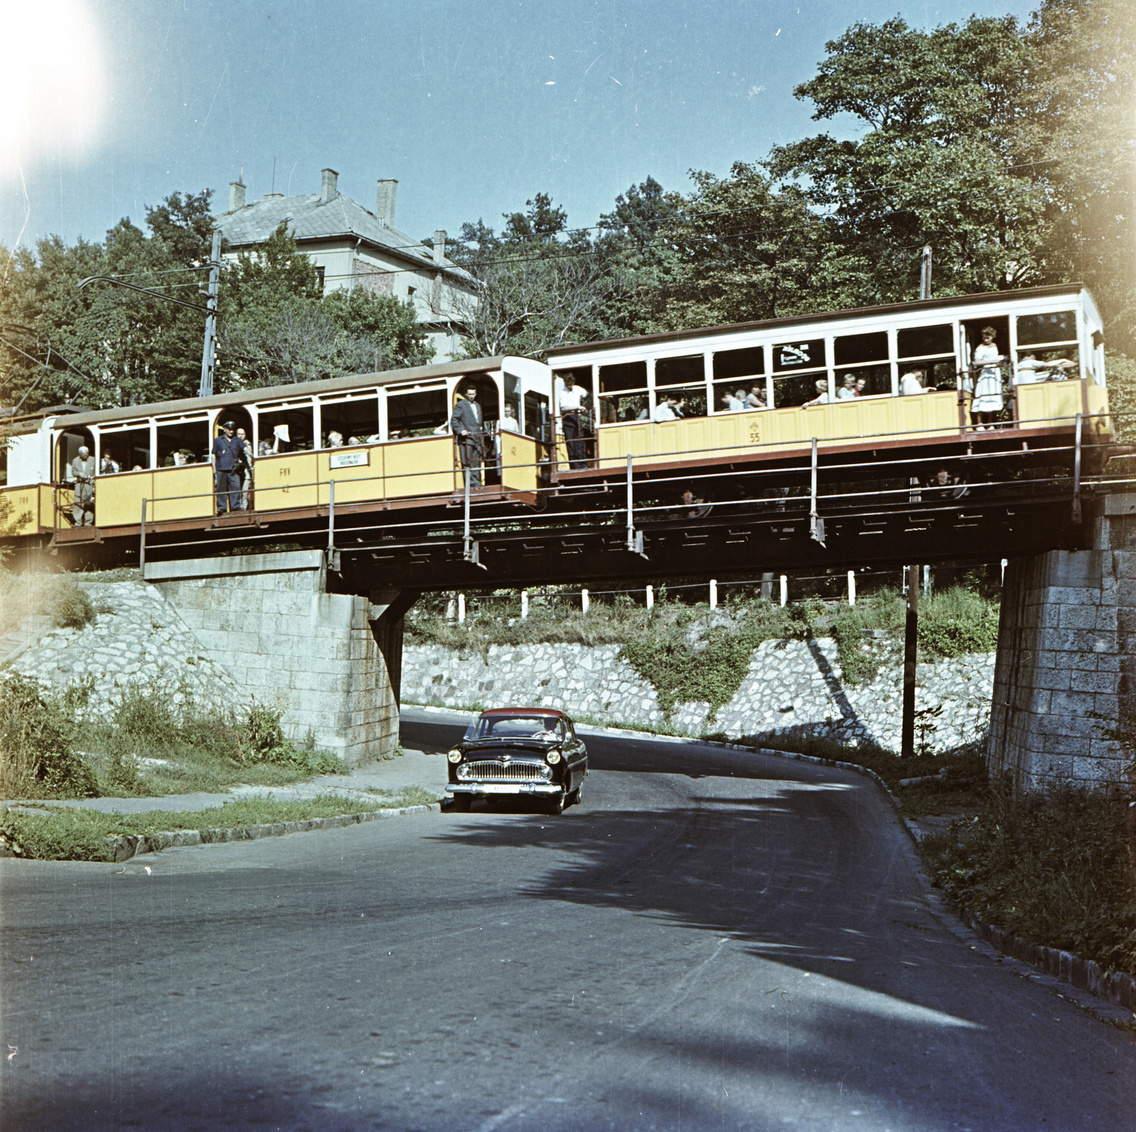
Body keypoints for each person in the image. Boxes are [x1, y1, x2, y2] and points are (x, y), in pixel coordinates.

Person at [970, 325, 1006, 429]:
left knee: (992, 396)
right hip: (986, 373)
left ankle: (990, 423)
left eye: (988, 337)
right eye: (984, 337)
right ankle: (979, 423)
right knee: (983, 395)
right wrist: (993, 361)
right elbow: (977, 362)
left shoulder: (994, 345)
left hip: (994, 373)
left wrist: (1000, 360)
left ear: (992, 336)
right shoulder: (980, 348)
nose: (986, 339)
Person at [450, 384, 485, 486]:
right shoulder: (461, 405)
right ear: (466, 394)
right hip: (467, 439)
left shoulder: (478, 406)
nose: (471, 396)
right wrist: (461, 430)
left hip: (477, 437)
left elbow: (478, 422)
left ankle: (477, 484)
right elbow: (454, 420)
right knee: (467, 461)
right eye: (469, 394)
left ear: (476, 394)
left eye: (473, 394)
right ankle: (470, 485)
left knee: (476, 462)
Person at [211, 421, 243, 514]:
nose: (231, 431)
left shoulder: (237, 440)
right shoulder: (218, 440)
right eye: (229, 429)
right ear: (224, 429)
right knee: (221, 489)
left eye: (233, 429)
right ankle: (222, 508)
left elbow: (245, 448)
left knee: (235, 487)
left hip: (233, 468)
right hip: (221, 468)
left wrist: (252, 456)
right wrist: (214, 470)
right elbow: (213, 455)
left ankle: (235, 507)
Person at [557, 374, 588, 469]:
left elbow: (586, 393)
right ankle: (574, 464)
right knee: (571, 441)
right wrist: (578, 407)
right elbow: (564, 407)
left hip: (577, 416)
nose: (570, 386)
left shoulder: (577, 389)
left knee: (580, 439)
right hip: (568, 417)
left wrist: (584, 401)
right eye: (568, 384)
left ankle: (582, 462)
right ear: (565, 383)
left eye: (571, 384)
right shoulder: (562, 393)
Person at [70, 445, 96, 526]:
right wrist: (79, 473)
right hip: (79, 485)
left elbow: (96, 471)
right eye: (83, 455)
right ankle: (78, 522)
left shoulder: (93, 460)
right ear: (80, 454)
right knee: (78, 502)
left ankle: (88, 522)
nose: (85, 456)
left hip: (89, 484)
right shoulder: (75, 461)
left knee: (89, 503)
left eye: (86, 454)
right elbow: (73, 472)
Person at [235, 428, 253, 510]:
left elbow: (249, 459)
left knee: (245, 491)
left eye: (242, 434)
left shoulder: (247, 445)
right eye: (239, 434)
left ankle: (244, 508)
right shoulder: (235, 444)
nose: (240, 436)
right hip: (239, 473)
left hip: (246, 473)